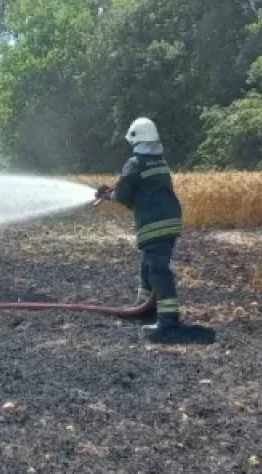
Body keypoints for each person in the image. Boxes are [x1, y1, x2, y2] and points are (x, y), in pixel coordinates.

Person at [95, 117, 192, 343]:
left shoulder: (135, 164)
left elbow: (123, 195)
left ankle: (168, 321)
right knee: (149, 265)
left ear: (136, 140)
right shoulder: (160, 163)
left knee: (157, 269)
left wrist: (107, 194)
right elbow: (142, 189)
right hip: (169, 222)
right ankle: (144, 308)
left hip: (153, 224)